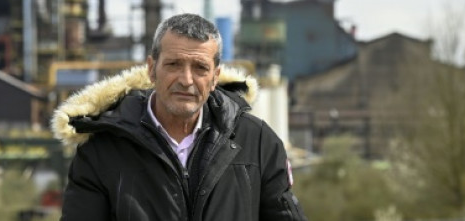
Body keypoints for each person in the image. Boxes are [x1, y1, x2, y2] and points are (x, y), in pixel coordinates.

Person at [51, 13, 307, 220]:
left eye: (200, 68)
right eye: (173, 65)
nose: (186, 80)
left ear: (215, 77)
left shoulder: (257, 141)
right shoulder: (102, 150)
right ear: (152, 69)